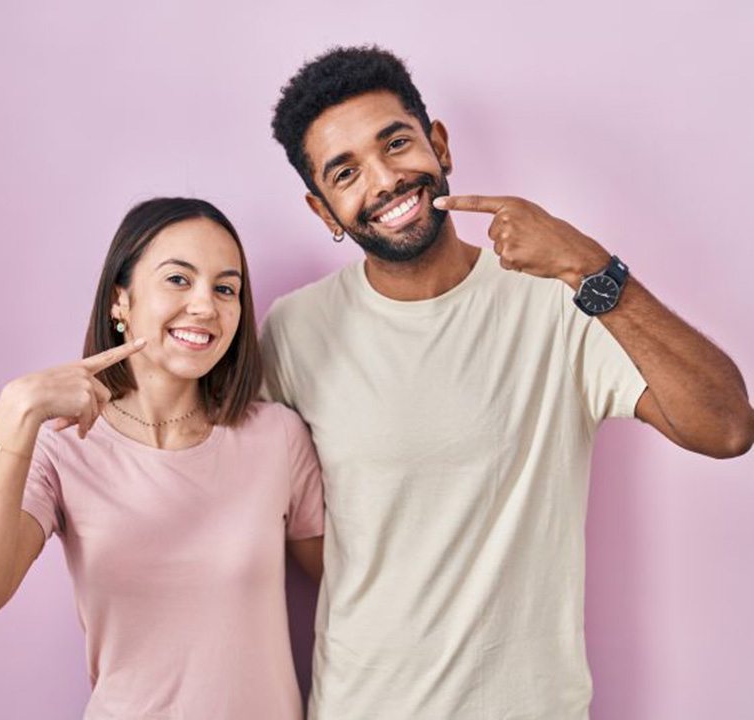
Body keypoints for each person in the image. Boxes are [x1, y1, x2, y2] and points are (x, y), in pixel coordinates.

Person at [261, 46, 754, 719]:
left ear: (438, 144)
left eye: (396, 142)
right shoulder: (294, 330)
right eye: (346, 172)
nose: (384, 180)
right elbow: (277, 518)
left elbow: (725, 426)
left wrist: (588, 267)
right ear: (323, 211)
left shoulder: (558, 295)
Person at [0, 197, 324, 720]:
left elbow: (349, 591)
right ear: (120, 300)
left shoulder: (277, 437)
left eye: (225, 288)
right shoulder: (62, 445)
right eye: (178, 280)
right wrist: (16, 409)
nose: (205, 306)